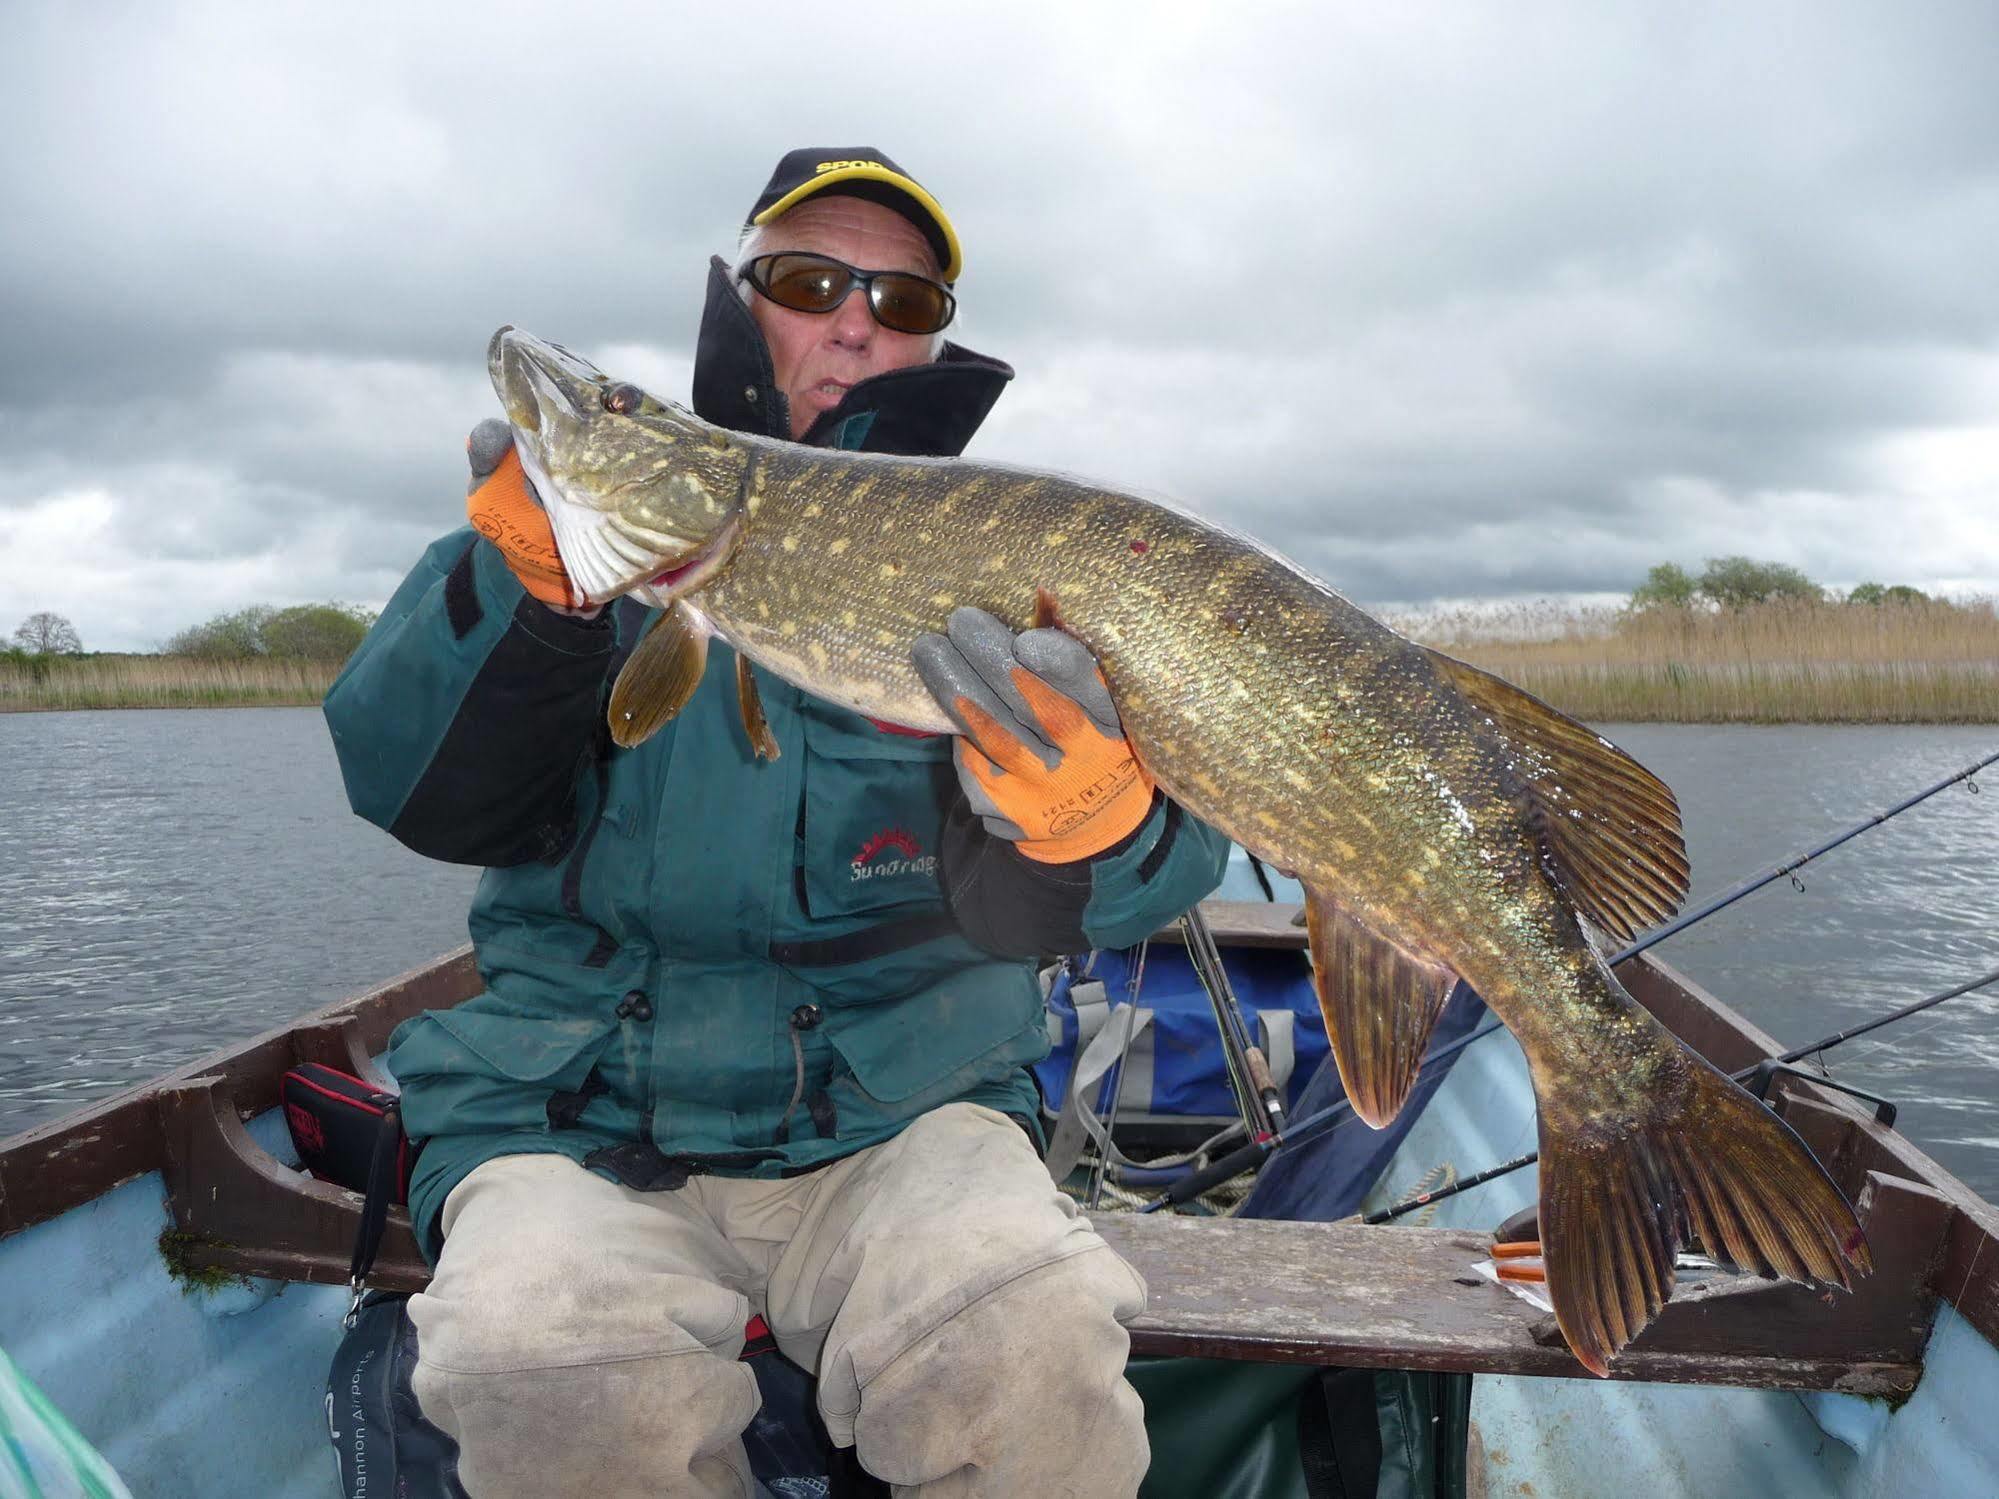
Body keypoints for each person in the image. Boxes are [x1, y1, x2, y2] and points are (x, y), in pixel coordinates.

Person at [324, 147, 1229, 1497]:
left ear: (936, 341)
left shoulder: (1008, 568)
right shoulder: (561, 550)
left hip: (902, 1118)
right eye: (812, 280)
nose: (856, 318)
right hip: (570, 1115)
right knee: (538, 1359)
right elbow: (417, 792)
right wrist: (532, 603)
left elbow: (1107, 896)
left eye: (903, 302)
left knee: (1026, 1340)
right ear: (749, 306)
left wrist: (1093, 823)